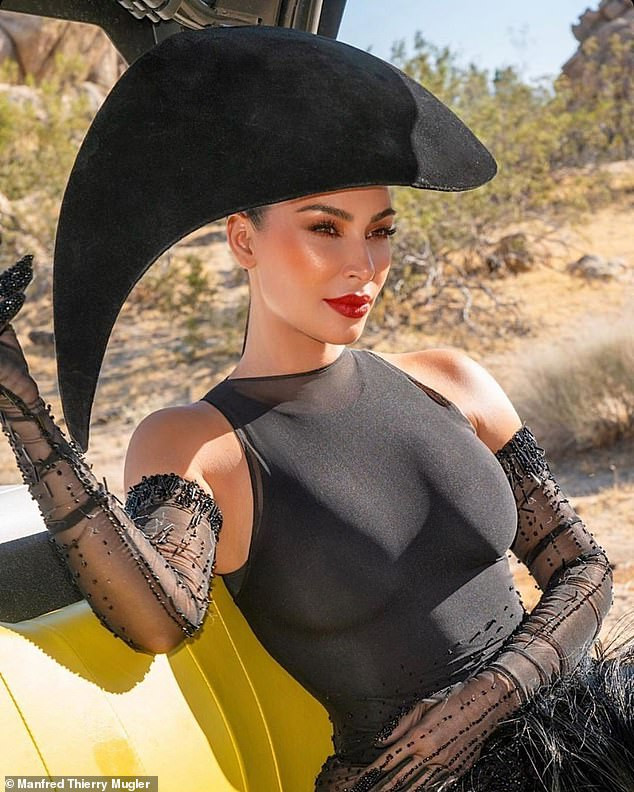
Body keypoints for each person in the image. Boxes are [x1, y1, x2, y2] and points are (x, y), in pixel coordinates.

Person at [0, 25, 631, 792]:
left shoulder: (451, 379)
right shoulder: (197, 442)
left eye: (380, 231)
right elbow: (160, 620)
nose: (362, 264)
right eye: (325, 228)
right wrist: (20, 402)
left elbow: (583, 569)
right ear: (243, 240)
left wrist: (486, 700)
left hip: (585, 742)